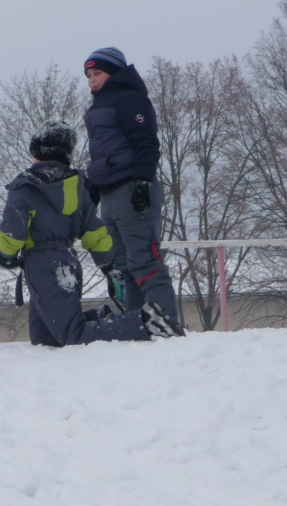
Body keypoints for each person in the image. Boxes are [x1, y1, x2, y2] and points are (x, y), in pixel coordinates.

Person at [0, 120, 182, 346]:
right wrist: (109, 266)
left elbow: (13, 230)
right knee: (45, 338)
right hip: (67, 261)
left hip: (42, 264)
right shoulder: (77, 185)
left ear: (37, 152)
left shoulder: (25, 187)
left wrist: (5, 255)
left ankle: (146, 322)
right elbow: (94, 230)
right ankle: (107, 315)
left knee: (73, 334)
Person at [82, 47, 185, 336]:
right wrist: (92, 185)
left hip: (132, 189)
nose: (92, 80)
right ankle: (135, 322)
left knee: (144, 259)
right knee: (123, 265)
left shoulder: (130, 99)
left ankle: (165, 321)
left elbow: (146, 143)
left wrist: (142, 182)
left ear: (114, 72)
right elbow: (104, 153)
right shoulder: (97, 107)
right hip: (110, 193)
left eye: (98, 73)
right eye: (89, 75)